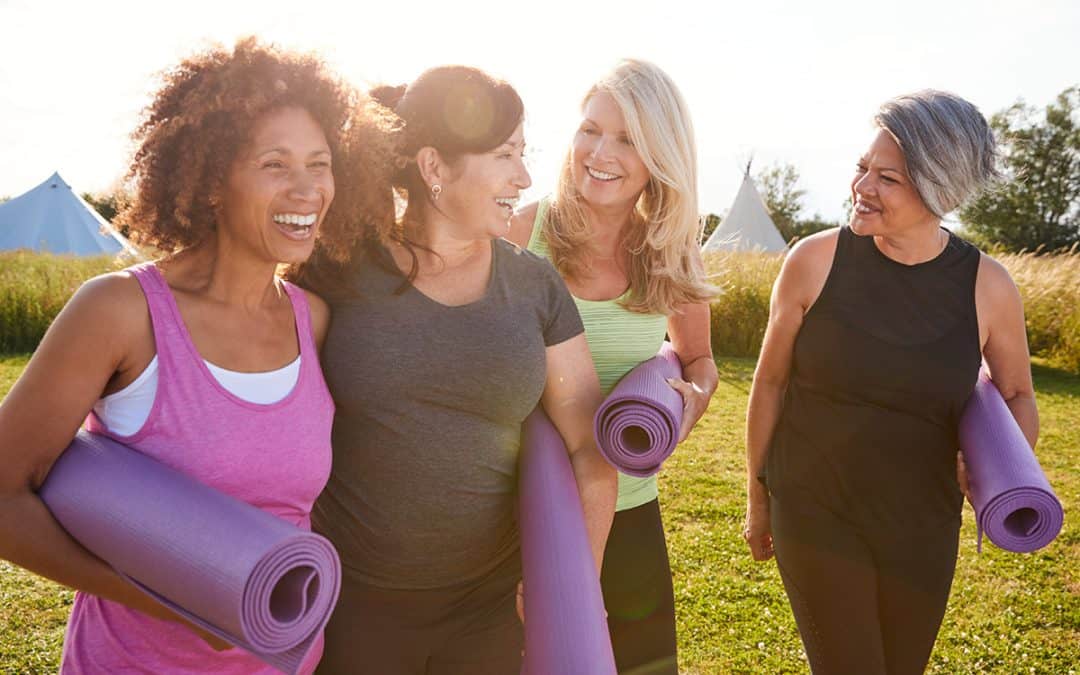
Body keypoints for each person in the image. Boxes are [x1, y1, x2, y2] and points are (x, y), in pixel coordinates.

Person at [0, 38, 394, 674]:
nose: (307, 189)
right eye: (275, 164)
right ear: (213, 180)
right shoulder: (119, 312)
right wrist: (177, 601)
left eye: (319, 164)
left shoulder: (312, 320)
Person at [302, 65, 618, 675]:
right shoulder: (338, 270)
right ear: (433, 168)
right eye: (505, 155)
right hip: (350, 600)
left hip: (489, 608)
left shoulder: (533, 284)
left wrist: (576, 589)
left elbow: (589, 448)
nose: (524, 177)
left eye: (524, 155)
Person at [743, 90, 1039, 674]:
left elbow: (1019, 394)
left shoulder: (988, 286)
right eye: (861, 168)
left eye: (888, 179)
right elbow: (770, 382)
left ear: (940, 189)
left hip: (923, 525)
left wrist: (1003, 461)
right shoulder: (814, 260)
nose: (862, 188)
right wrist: (758, 498)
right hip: (814, 508)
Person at [507, 58, 718, 675]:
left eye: (627, 139)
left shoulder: (669, 251)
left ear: (660, 155)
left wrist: (692, 399)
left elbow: (700, 359)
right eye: (590, 128)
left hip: (628, 512)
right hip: (520, 513)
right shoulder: (524, 231)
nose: (599, 151)